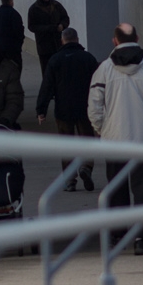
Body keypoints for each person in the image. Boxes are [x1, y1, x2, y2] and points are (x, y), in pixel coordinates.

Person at [88, 23, 143, 255]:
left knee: (116, 187)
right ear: (137, 38)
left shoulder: (104, 70)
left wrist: (101, 129)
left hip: (114, 139)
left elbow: (94, 107)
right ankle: (141, 239)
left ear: (114, 41)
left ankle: (118, 235)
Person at [36, 28, 100, 191]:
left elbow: (47, 86)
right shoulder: (88, 59)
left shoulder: (55, 60)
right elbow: (98, 85)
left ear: (62, 40)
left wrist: (41, 110)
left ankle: (70, 180)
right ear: (77, 40)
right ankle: (86, 166)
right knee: (87, 140)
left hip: (63, 109)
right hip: (85, 108)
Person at [26, 0, 71, 77]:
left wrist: (62, 25)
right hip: (43, 45)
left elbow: (65, 18)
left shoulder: (56, 5)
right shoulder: (34, 9)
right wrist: (48, 28)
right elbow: (31, 26)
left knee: (59, 68)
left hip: (57, 43)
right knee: (46, 69)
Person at [0, 0, 26, 70]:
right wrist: (19, 44)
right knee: (15, 68)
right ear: (10, 1)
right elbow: (19, 31)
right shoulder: (14, 14)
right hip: (12, 48)